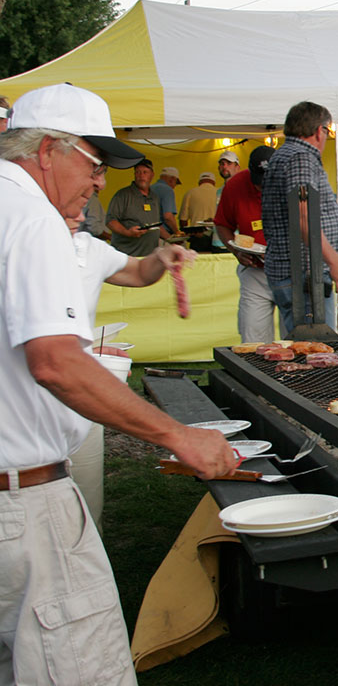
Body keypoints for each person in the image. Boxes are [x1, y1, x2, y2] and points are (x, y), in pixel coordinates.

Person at [0, 82, 235, 686]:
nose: (100, 180)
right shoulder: (31, 218)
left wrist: (162, 260)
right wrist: (178, 435)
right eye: (94, 161)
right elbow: (54, 361)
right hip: (22, 504)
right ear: (47, 149)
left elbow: (130, 269)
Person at [64, 209, 197, 531]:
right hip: (29, 415)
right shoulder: (16, 243)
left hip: (79, 408)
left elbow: (137, 272)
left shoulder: (87, 248)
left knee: (85, 512)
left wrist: (162, 255)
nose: (96, 183)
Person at [260, 102, 338, 336]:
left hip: (301, 274)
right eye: (328, 132)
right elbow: (304, 217)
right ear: (318, 131)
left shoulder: (288, 154)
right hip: (304, 276)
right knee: (316, 350)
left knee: (309, 348)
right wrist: (336, 263)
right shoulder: (301, 157)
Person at [215, 146, 283, 344]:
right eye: (258, 183)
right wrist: (236, 251)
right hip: (255, 271)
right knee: (253, 338)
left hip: (291, 270)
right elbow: (222, 224)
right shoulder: (235, 185)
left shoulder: (292, 181)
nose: (261, 187)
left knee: (296, 339)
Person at [106, 157, 164, 256]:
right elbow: (110, 221)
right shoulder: (123, 195)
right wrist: (127, 232)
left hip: (149, 257)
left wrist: (173, 239)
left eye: (145, 172)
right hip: (127, 256)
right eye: (138, 172)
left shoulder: (154, 197)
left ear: (152, 175)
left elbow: (157, 226)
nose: (141, 176)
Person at [150, 165, 181, 235]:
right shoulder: (167, 190)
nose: (174, 186)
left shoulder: (150, 188)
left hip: (148, 233)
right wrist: (177, 232)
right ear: (172, 179)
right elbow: (168, 217)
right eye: (176, 183)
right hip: (162, 234)